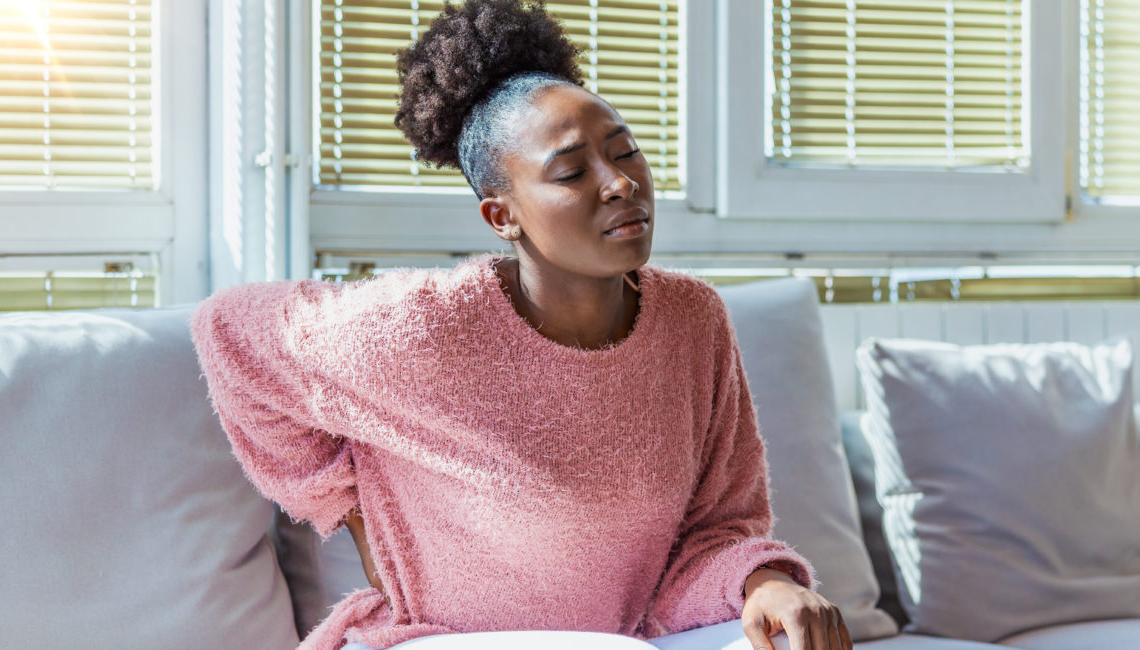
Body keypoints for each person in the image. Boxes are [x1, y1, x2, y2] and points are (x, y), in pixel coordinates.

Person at [189, 1, 852, 649]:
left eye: (625, 153)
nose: (619, 183)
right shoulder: (421, 328)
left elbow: (716, 527)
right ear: (502, 217)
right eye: (571, 172)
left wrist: (763, 584)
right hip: (438, 640)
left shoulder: (693, 321)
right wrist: (347, 507)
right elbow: (230, 331)